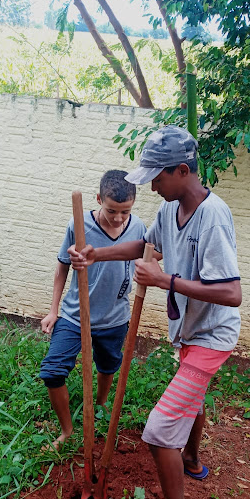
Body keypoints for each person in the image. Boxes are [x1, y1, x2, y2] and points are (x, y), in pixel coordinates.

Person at [68, 126, 242, 499]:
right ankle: (191, 460)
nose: (150, 185)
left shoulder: (213, 216)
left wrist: (164, 281)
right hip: (189, 333)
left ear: (183, 170)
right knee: (192, 403)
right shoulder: (170, 209)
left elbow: (231, 293)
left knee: (159, 430)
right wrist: (96, 253)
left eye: (156, 177)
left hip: (211, 337)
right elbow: (146, 249)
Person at [39, 169, 146, 450]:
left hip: (115, 318)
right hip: (76, 316)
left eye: (125, 211)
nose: (119, 218)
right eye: (112, 210)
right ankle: (68, 431)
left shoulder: (139, 229)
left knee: (108, 365)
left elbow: (148, 256)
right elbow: (62, 265)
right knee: (52, 372)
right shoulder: (79, 225)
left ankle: (99, 404)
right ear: (99, 199)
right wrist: (53, 311)